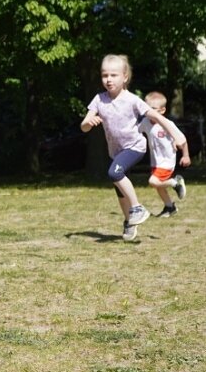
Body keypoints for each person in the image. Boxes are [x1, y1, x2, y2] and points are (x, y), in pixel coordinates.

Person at [80, 54, 186, 241]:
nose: (109, 79)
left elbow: (159, 117)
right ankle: (129, 222)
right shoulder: (99, 99)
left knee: (114, 173)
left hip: (135, 146)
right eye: (105, 75)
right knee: (120, 190)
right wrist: (89, 121)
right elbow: (84, 126)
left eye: (114, 75)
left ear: (125, 77)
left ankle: (137, 207)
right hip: (116, 151)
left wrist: (177, 135)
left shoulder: (132, 100)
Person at [139, 91, 190, 217]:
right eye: (147, 108)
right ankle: (169, 207)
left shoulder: (168, 125)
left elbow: (182, 140)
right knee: (159, 186)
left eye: (153, 109)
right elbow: (134, 132)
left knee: (153, 181)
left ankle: (175, 183)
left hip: (167, 162)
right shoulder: (145, 122)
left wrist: (185, 155)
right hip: (155, 161)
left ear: (162, 110)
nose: (149, 111)